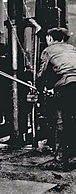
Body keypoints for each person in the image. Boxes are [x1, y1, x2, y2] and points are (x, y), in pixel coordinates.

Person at [37, 27, 76, 168]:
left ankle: (61, 159)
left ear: (51, 39)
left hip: (66, 85)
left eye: (47, 38)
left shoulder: (48, 50)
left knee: (60, 121)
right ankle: (73, 155)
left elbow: (42, 74)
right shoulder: (72, 48)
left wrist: (38, 87)